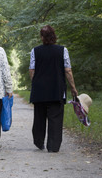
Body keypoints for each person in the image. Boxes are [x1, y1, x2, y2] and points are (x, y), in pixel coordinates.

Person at [29, 25, 78, 153]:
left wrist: (35, 83)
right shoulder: (62, 50)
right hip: (56, 90)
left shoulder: (35, 51)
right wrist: (73, 87)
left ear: (41, 37)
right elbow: (67, 70)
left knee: (39, 117)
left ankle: (39, 142)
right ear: (54, 36)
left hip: (39, 91)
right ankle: (53, 146)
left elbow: (32, 70)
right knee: (55, 118)